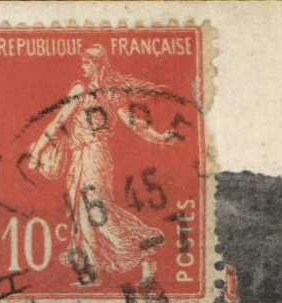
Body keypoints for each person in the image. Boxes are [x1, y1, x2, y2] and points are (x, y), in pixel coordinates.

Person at [27, 45, 180, 286]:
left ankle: (140, 248)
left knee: (96, 212)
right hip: (84, 157)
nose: (82, 67)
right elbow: (60, 121)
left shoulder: (101, 92)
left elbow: (131, 123)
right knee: (84, 211)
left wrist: (159, 137)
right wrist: (159, 137)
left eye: (86, 63)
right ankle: (101, 267)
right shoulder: (97, 92)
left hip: (93, 157)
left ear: (97, 64)